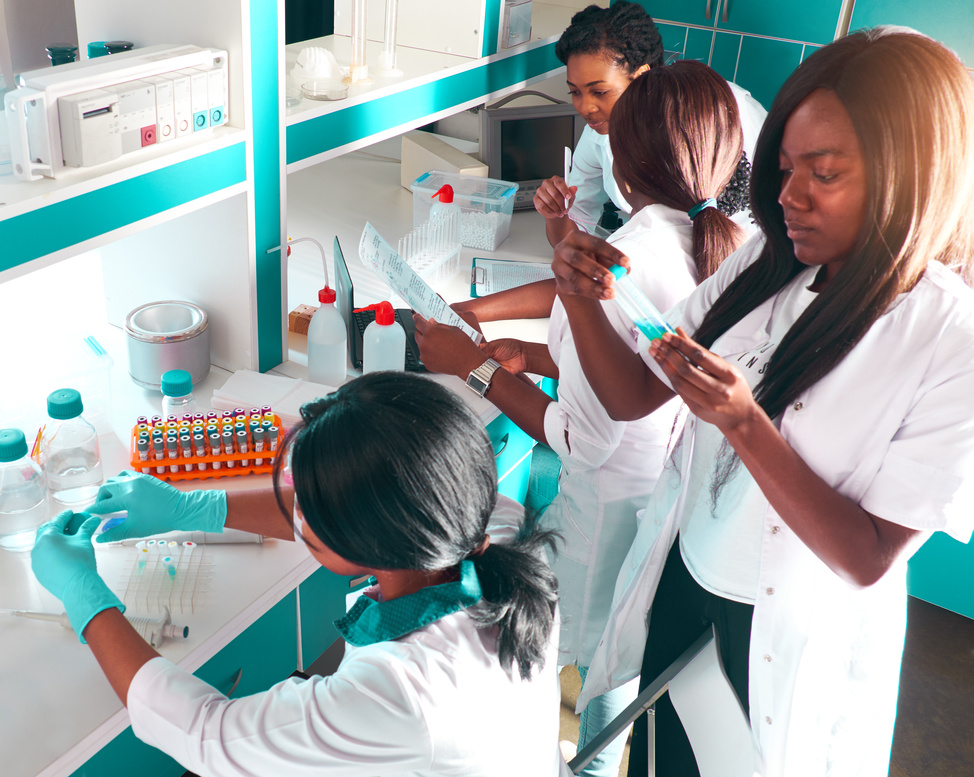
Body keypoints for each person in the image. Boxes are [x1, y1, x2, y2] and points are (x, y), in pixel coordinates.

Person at [549, 27, 974, 776]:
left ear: (910, 172)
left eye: (825, 172)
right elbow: (631, 395)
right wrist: (579, 298)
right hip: (684, 589)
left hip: (778, 633)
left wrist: (745, 422)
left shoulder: (948, 337)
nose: (788, 196)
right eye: (783, 167)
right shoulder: (764, 265)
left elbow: (868, 555)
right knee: (662, 761)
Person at [414, 60, 746, 777]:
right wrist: (533, 354)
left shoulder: (633, 255)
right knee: (614, 666)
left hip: (604, 509)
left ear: (625, 158)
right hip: (654, 495)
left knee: (591, 671)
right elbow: (629, 367)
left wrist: (470, 367)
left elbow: (584, 431)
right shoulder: (712, 245)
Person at [31, 372, 568, 777]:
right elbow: (378, 498)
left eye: (308, 506)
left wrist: (85, 596)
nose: (295, 511)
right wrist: (194, 507)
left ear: (367, 538)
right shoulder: (498, 532)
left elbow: (205, 735)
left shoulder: (398, 693)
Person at [535, 1, 766, 248]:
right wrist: (555, 213)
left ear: (641, 76)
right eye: (575, 92)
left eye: (600, 92)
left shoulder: (722, 113)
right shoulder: (600, 131)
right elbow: (573, 234)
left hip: (744, 257)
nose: (585, 108)